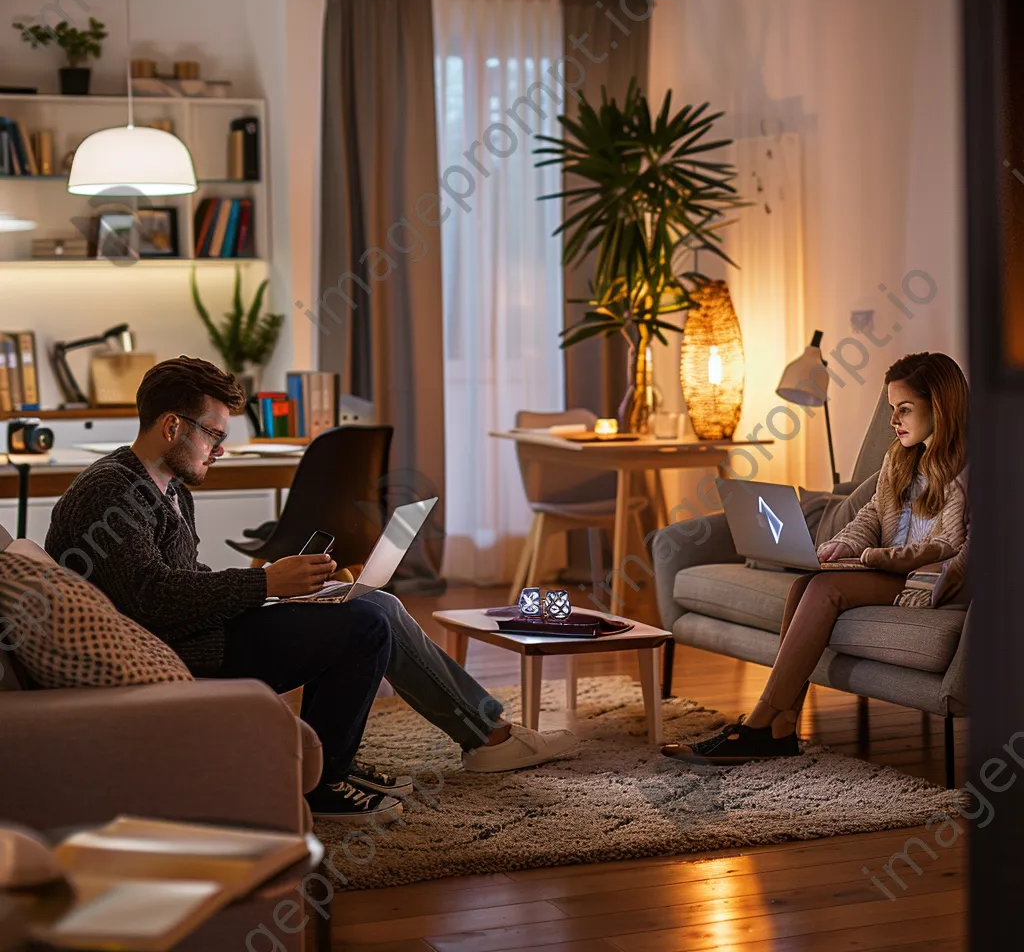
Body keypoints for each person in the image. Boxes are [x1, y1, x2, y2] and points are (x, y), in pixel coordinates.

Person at [45, 357, 578, 823]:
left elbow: (182, 578)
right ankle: (324, 783)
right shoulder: (111, 490)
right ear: (170, 426)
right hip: (179, 653)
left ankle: (474, 737)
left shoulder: (169, 488)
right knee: (363, 625)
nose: (221, 450)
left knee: (371, 601)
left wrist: (278, 590)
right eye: (214, 435)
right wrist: (262, 583)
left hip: (199, 633)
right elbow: (149, 599)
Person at [663, 351, 970, 765]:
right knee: (804, 582)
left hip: (924, 578)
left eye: (904, 410)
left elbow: (950, 546)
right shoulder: (900, 458)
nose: (893, 421)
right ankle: (780, 725)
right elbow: (871, 515)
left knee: (825, 590)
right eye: (891, 409)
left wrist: (877, 557)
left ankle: (760, 724)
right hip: (884, 564)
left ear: (941, 405)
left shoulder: (967, 468)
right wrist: (842, 546)